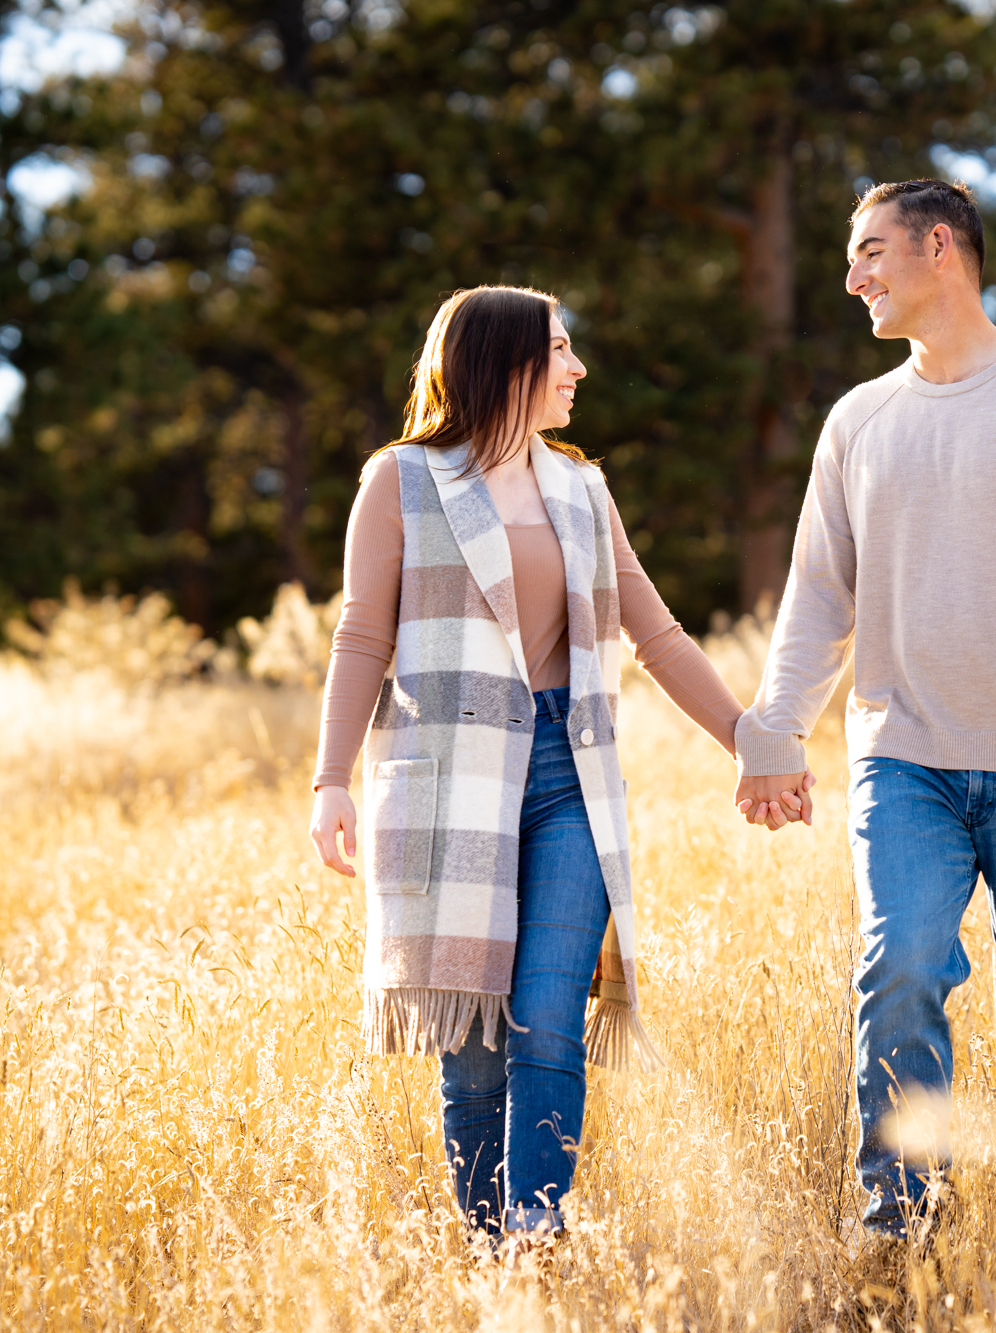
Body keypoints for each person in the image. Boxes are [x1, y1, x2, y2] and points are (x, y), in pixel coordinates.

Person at [306, 285, 785, 1255]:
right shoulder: (398, 481)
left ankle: (536, 1228)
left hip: (570, 775)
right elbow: (361, 636)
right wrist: (329, 779)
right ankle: (489, 1251)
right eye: (559, 351)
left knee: (549, 1009)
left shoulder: (580, 488)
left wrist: (752, 739)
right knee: (475, 1048)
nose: (575, 369)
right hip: (448, 782)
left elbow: (653, 632)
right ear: (505, 363)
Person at [732, 180, 996, 1238]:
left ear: (940, 247)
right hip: (904, 758)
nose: (853, 276)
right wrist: (775, 725)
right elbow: (818, 592)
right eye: (846, 257)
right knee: (899, 972)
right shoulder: (858, 420)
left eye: (870, 251)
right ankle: (899, 1216)